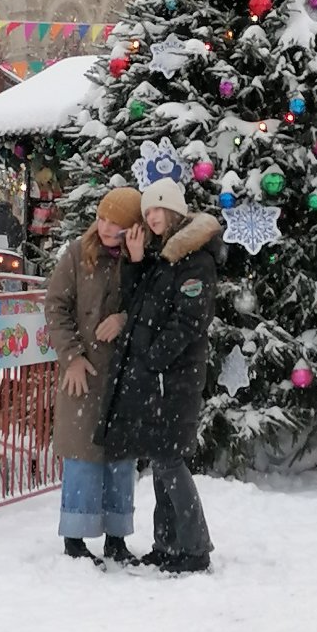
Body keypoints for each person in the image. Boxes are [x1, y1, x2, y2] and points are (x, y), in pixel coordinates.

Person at [95, 177, 225, 574]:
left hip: (175, 377)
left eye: (158, 209)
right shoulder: (165, 258)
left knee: (169, 461)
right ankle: (168, 545)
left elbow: (188, 322)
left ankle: (195, 547)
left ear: (175, 210)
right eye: (147, 210)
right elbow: (140, 308)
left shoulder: (195, 260)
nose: (151, 217)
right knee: (161, 458)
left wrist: (153, 358)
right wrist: (135, 260)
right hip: (160, 378)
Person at [45, 187, 144, 567]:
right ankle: (75, 539)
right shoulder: (76, 254)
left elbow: (152, 306)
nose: (106, 227)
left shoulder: (141, 260)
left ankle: (116, 538)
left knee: (120, 459)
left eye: (116, 223)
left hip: (122, 376)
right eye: (103, 218)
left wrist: (124, 318)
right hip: (82, 375)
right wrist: (71, 356)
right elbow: (55, 307)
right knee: (82, 457)